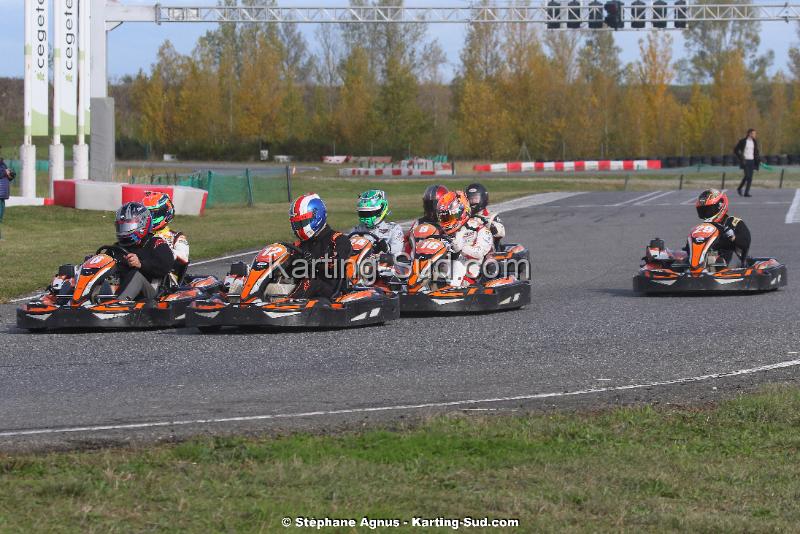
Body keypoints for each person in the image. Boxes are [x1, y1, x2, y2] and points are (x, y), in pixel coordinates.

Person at [288, 193, 351, 299]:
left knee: (310, 281)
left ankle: (287, 305)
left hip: (332, 293)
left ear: (317, 216)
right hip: (305, 293)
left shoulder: (338, 239)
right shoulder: (298, 245)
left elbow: (338, 262)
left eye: (302, 222)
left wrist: (315, 262)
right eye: (297, 224)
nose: (299, 228)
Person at [114, 202, 175, 301]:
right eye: (121, 227)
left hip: (151, 295)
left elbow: (166, 266)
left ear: (142, 225)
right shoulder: (117, 247)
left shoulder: (156, 243)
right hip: (123, 290)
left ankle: (118, 306)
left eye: (127, 227)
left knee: (135, 275)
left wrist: (141, 264)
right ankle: (88, 301)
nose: (124, 231)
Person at [436, 190, 494, 287]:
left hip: (470, 277)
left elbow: (480, 252)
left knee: (459, 261)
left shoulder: (479, 229)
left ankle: (453, 289)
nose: (446, 221)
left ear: (461, 211)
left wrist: (460, 249)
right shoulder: (440, 232)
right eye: (444, 218)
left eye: (449, 217)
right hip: (444, 272)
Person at [142, 191, 190, 284]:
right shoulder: (141, 235)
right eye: (147, 215)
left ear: (166, 212)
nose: (150, 218)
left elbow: (183, 257)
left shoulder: (177, 237)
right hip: (142, 272)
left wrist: (162, 252)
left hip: (165, 281)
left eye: (153, 214)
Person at [695, 189, 751, 266]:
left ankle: (712, 270)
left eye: (708, 210)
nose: (706, 214)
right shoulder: (703, 228)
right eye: (703, 211)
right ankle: (696, 270)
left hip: (730, 265)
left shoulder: (734, 223)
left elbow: (745, 243)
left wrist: (732, 237)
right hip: (706, 262)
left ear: (720, 206)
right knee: (680, 258)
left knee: (716, 256)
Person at [349, 189, 404, 256]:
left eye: (369, 213)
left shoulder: (393, 229)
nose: (366, 216)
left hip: (383, 264)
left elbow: (397, 251)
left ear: (381, 210)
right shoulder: (356, 231)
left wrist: (386, 248)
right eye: (363, 213)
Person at [406, 184, 449, 254]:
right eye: (427, 205)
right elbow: (407, 239)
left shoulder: (449, 223)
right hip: (420, 257)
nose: (430, 209)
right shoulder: (419, 222)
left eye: (432, 205)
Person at [465, 182, 505, 248]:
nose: (472, 202)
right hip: (467, 245)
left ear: (483, 198)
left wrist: (491, 225)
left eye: (475, 199)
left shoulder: (491, 216)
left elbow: (501, 232)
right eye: (470, 199)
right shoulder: (464, 216)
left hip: (487, 248)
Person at [733, 129, 760, 197]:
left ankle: (746, 192)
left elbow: (756, 152)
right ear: (749, 134)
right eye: (753, 134)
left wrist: (758, 159)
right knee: (747, 176)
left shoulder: (754, 142)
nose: (755, 135)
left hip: (752, 161)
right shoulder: (743, 141)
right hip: (745, 161)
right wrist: (741, 157)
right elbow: (736, 150)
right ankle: (739, 188)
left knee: (749, 177)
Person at [0, 152, 16, 238]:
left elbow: (5, 176)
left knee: (0, 216)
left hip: (2, 195)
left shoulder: (3, 164)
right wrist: (5, 172)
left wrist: (10, 175)